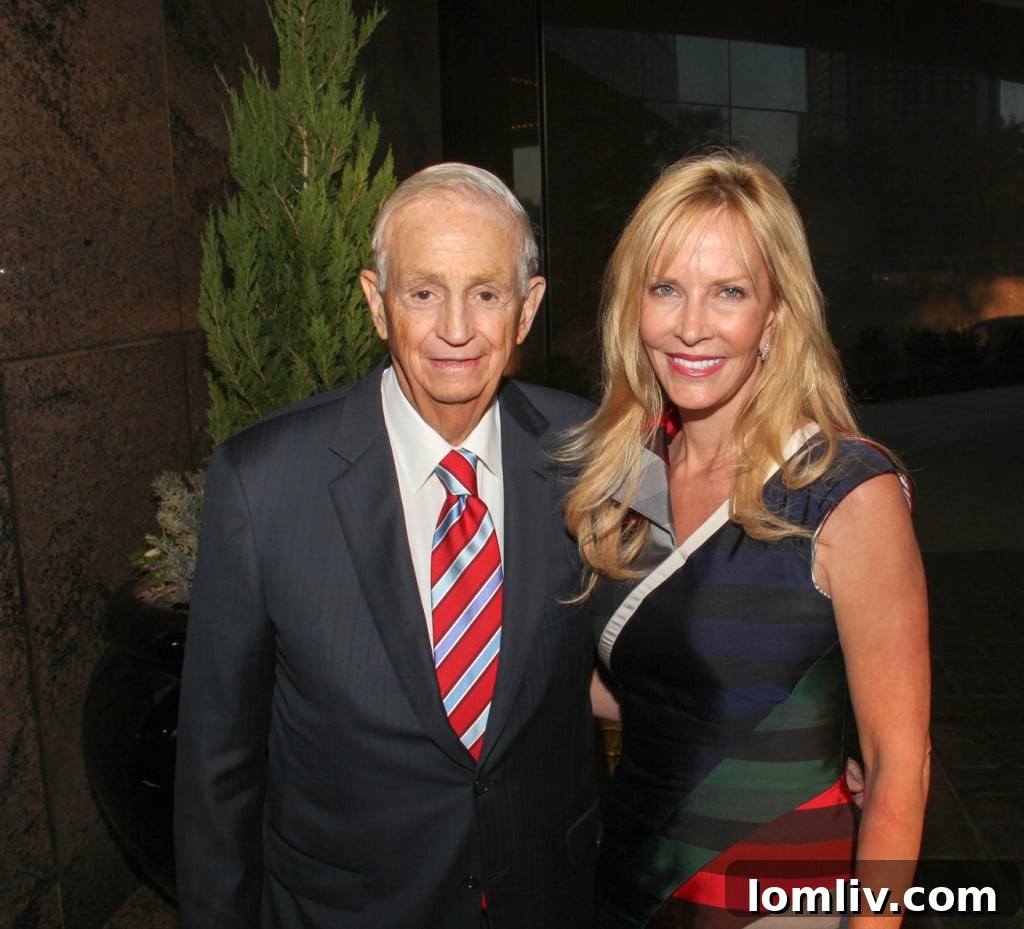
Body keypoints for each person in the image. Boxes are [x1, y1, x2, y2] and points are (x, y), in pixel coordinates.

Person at [174, 163, 599, 929]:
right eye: (423, 292)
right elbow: (217, 772)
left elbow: (659, 634)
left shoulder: (589, 455)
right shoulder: (262, 484)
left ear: (527, 307)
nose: (457, 328)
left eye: (486, 292)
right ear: (376, 303)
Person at [563, 151, 931, 928]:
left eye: (729, 292)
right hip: (626, 886)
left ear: (775, 316)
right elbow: (653, 689)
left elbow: (899, 764)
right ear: (634, 305)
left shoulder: (846, 493)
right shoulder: (622, 479)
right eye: (666, 288)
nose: (691, 325)